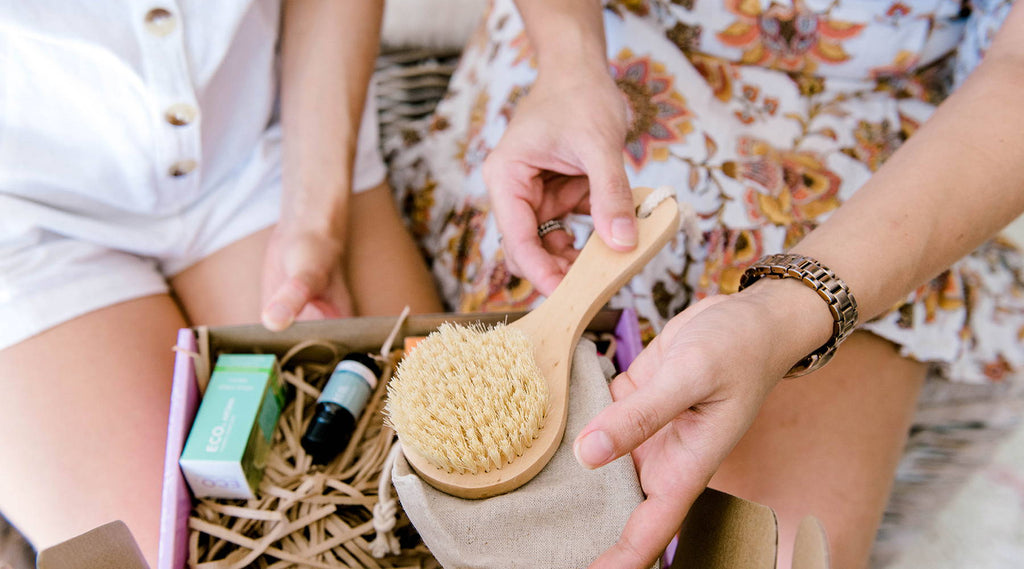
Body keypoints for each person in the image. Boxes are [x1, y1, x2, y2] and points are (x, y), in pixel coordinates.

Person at [387, 0, 1024, 567]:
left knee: (765, 553)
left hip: (869, 166)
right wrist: (568, 64)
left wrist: (783, 314)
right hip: (580, 88)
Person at [0, 1, 441, 565]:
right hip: (25, 220)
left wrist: (315, 220)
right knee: (149, 556)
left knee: (427, 504)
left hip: (263, 140)